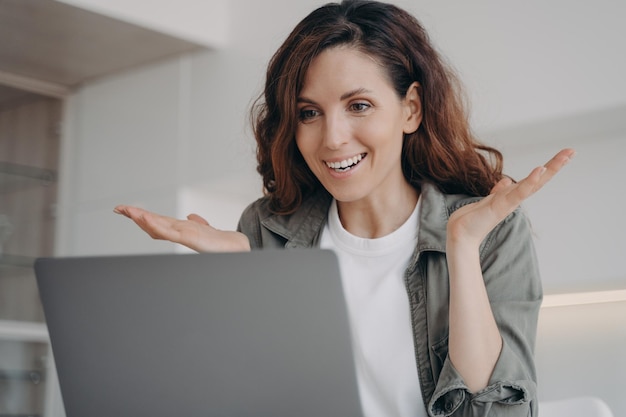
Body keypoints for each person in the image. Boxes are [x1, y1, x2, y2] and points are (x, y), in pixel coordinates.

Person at [114, 1, 575, 416]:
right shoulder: (264, 230)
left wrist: (462, 246)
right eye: (309, 113)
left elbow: (497, 414)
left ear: (410, 109)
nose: (332, 137)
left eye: (358, 105)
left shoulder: (490, 230)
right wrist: (243, 276)